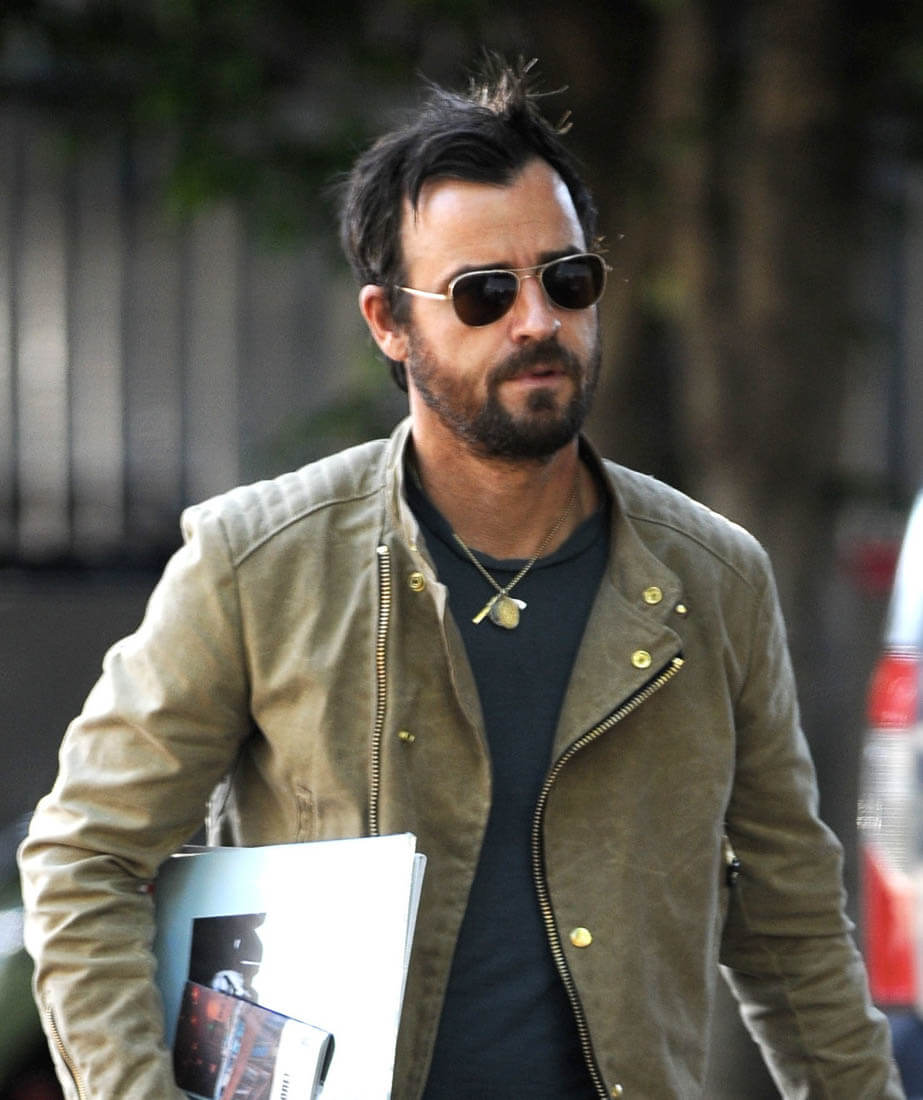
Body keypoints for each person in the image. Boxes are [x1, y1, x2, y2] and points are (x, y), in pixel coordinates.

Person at [19, 57, 903, 1100]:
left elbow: (790, 928)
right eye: (484, 293)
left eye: (565, 279)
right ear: (388, 323)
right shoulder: (260, 561)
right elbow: (84, 862)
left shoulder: (711, 580)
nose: (536, 321)